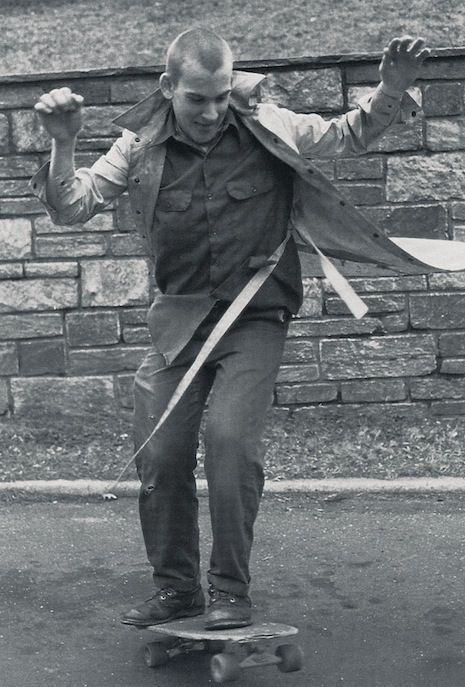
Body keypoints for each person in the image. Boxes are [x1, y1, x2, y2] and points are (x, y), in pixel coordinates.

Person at [31, 28, 431, 630]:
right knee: (161, 453)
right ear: (169, 89)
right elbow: (72, 205)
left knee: (230, 445)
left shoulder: (268, 123)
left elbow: (349, 133)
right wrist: (63, 145)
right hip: (179, 321)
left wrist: (392, 89)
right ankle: (176, 592)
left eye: (221, 96)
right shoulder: (138, 145)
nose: (212, 111)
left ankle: (229, 592)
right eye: (198, 99)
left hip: (255, 315)